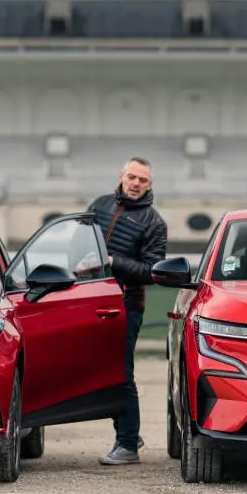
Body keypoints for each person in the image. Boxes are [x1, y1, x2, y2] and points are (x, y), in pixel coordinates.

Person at [78, 156, 168, 465]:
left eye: (142, 180)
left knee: (121, 372)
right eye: (132, 177)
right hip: (88, 299)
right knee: (93, 368)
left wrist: (113, 262)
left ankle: (128, 444)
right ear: (121, 176)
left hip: (125, 305)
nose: (136, 184)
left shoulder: (154, 222)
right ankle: (129, 429)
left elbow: (153, 271)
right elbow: (78, 243)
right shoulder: (99, 204)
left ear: (150, 185)